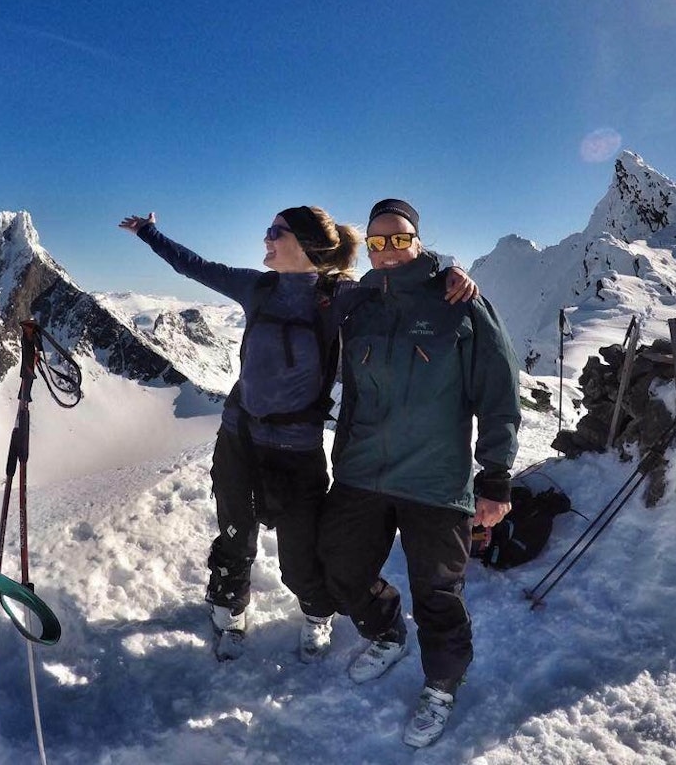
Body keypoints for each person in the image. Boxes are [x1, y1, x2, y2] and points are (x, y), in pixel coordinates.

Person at [119, 207, 476, 662]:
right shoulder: (258, 287)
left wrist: (451, 274)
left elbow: (400, 283)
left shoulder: (339, 295)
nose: (265, 240)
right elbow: (195, 267)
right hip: (240, 437)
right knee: (234, 531)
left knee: (300, 552)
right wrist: (150, 233)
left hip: (298, 449)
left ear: (307, 245)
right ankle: (230, 610)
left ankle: (316, 613)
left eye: (275, 233)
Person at [317, 198, 520, 748]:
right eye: (377, 240)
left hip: (435, 479)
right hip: (362, 472)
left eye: (398, 238)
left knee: (438, 591)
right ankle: (387, 632)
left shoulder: (460, 302)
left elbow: (497, 393)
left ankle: (442, 682)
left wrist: (495, 476)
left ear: (418, 241)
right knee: (342, 568)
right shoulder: (357, 303)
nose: (387, 250)